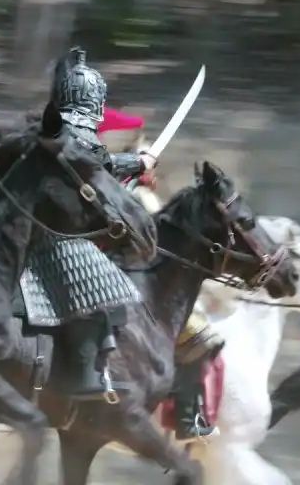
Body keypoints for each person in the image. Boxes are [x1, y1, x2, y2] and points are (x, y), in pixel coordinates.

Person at [22, 46, 158, 402]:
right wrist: (139, 163)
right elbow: (98, 163)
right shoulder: (77, 134)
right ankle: (85, 376)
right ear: (93, 100)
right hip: (53, 234)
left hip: (36, 226)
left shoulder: (49, 130)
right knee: (99, 282)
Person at [98, 105, 221, 439]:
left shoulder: (117, 188)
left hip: (121, 273)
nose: (154, 169)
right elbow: (156, 243)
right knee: (201, 337)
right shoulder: (133, 194)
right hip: (128, 280)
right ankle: (187, 417)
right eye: (148, 161)